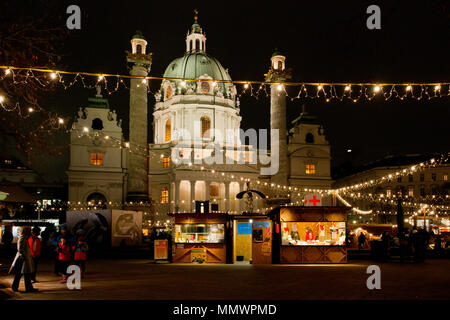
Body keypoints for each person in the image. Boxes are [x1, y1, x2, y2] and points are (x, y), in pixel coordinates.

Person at [10, 226, 38, 292]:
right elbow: (20, 249)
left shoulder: (24, 238)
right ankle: (17, 287)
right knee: (21, 274)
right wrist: (24, 256)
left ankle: (25, 287)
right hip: (23, 260)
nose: (30, 232)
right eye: (29, 231)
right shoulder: (23, 238)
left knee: (25, 274)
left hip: (25, 259)